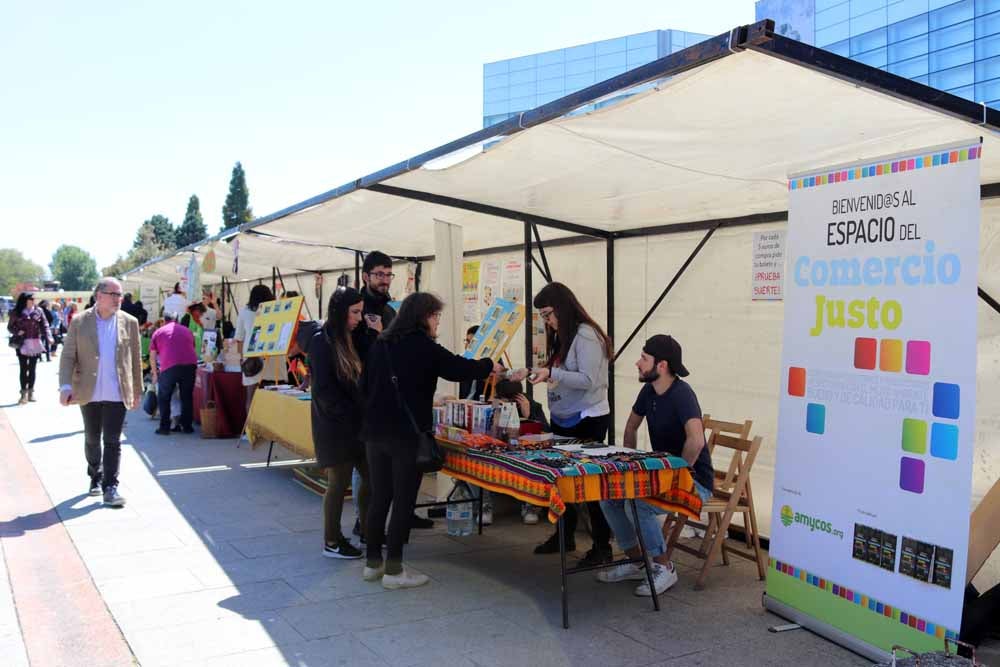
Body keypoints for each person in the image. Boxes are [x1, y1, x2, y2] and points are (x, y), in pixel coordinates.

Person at [361, 292, 499, 589]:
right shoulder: (423, 346)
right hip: (406, 436)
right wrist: (490, 365)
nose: (438, 322)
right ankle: (394, 572)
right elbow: (458, 367)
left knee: (380, 498)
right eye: (436, 316)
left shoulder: (380, 344)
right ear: (424, 317)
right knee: (403, 501)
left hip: (375, 433)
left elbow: (364, 387)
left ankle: (373, 564)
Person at [596, 335, 714, 596]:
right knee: (610, 498)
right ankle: (638, 563)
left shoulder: (682, 394)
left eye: (644, 358)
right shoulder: (649, 390)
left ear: (661, 365)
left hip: (694, 482)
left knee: (637, 504)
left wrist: (678, 475)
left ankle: (664, 567)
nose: (637, 363)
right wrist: (628, 464)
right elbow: (630, 426)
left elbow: (696, 439)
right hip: (661, 474)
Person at [514, 282, 615, 567]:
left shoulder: (585, 335)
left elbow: (587, 380)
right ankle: (563, 534)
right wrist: (535, 372)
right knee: (563, 480)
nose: (546, 321)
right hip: (564, 416)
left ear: (562, 308)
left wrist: (549, 372)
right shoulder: (563, 334)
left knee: (588, 483)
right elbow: (560, 372)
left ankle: (601, 545)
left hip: (587, 418)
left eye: (548, 314)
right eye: (543, 316)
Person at [59, 278, 142, 507]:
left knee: (113, 440)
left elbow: (134, 358)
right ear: (99, 296)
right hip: (88, 391)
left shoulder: (130, 322)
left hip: (117, 392)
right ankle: (95, 474)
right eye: (113, 294)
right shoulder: (79, 321)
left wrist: (137, 390)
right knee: (92, 438)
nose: (118, 299)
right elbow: (67, 356)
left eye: (120, 294)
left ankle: (111, 487)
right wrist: (65, 386)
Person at [309, 288, 370, 559]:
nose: (359, 318)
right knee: (338, 482)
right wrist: (348, 415)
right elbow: (324, 391)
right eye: (355, 312)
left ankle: (368, 529)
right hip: (335, 426)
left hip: (356, 424)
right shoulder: (322, 342)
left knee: (371, 476)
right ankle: (331, 541)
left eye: (360, 311)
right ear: (340, 311)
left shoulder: (350, 337)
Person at [494, 379, 550, 525]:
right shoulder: (496, 405)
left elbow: (546, 433)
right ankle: (485, 505)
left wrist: (529, 415)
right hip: (500, 450)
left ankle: (529, 505)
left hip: (524, 451)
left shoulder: (532, 405)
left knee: (528, 464)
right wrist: (497, 413)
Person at [149, 311, 198, 435]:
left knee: (164, 396)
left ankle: (164, 427)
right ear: (177, 319)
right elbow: (192, 347)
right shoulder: (187, 331)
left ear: (164, 320)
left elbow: (152, 356)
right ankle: (187, 426)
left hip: (170, 366)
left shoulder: (158, 332)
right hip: (190, 365)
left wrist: (155, 374)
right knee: (186, 396)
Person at [234, 285, 280, 417]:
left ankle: (251, 431)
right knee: (272, 396)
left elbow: (239, 338)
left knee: (251, 395)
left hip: (252, 357)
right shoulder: (275, 311)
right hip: (273, 356)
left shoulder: (244, 312)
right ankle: (271, 429)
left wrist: (241, 359)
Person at [8, 292, 51, 404]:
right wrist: (17, 331)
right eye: (31, 298)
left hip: (36, 342)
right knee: (23, 368)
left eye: (33, 298)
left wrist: (49, 338)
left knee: (32, 368)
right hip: (22, 343)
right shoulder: (16, 312)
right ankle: (23, 394)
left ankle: (31, 392)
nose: (33, 300)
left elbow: (45, 325)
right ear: (25, 300)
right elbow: (10, 327)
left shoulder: (39, 311)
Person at [458, 325, 486, 400]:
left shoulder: (491, 359)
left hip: (483, 405)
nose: (468, 345)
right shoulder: (463, 359)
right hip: (465, 404)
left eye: (472, 342)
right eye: (467, 341)